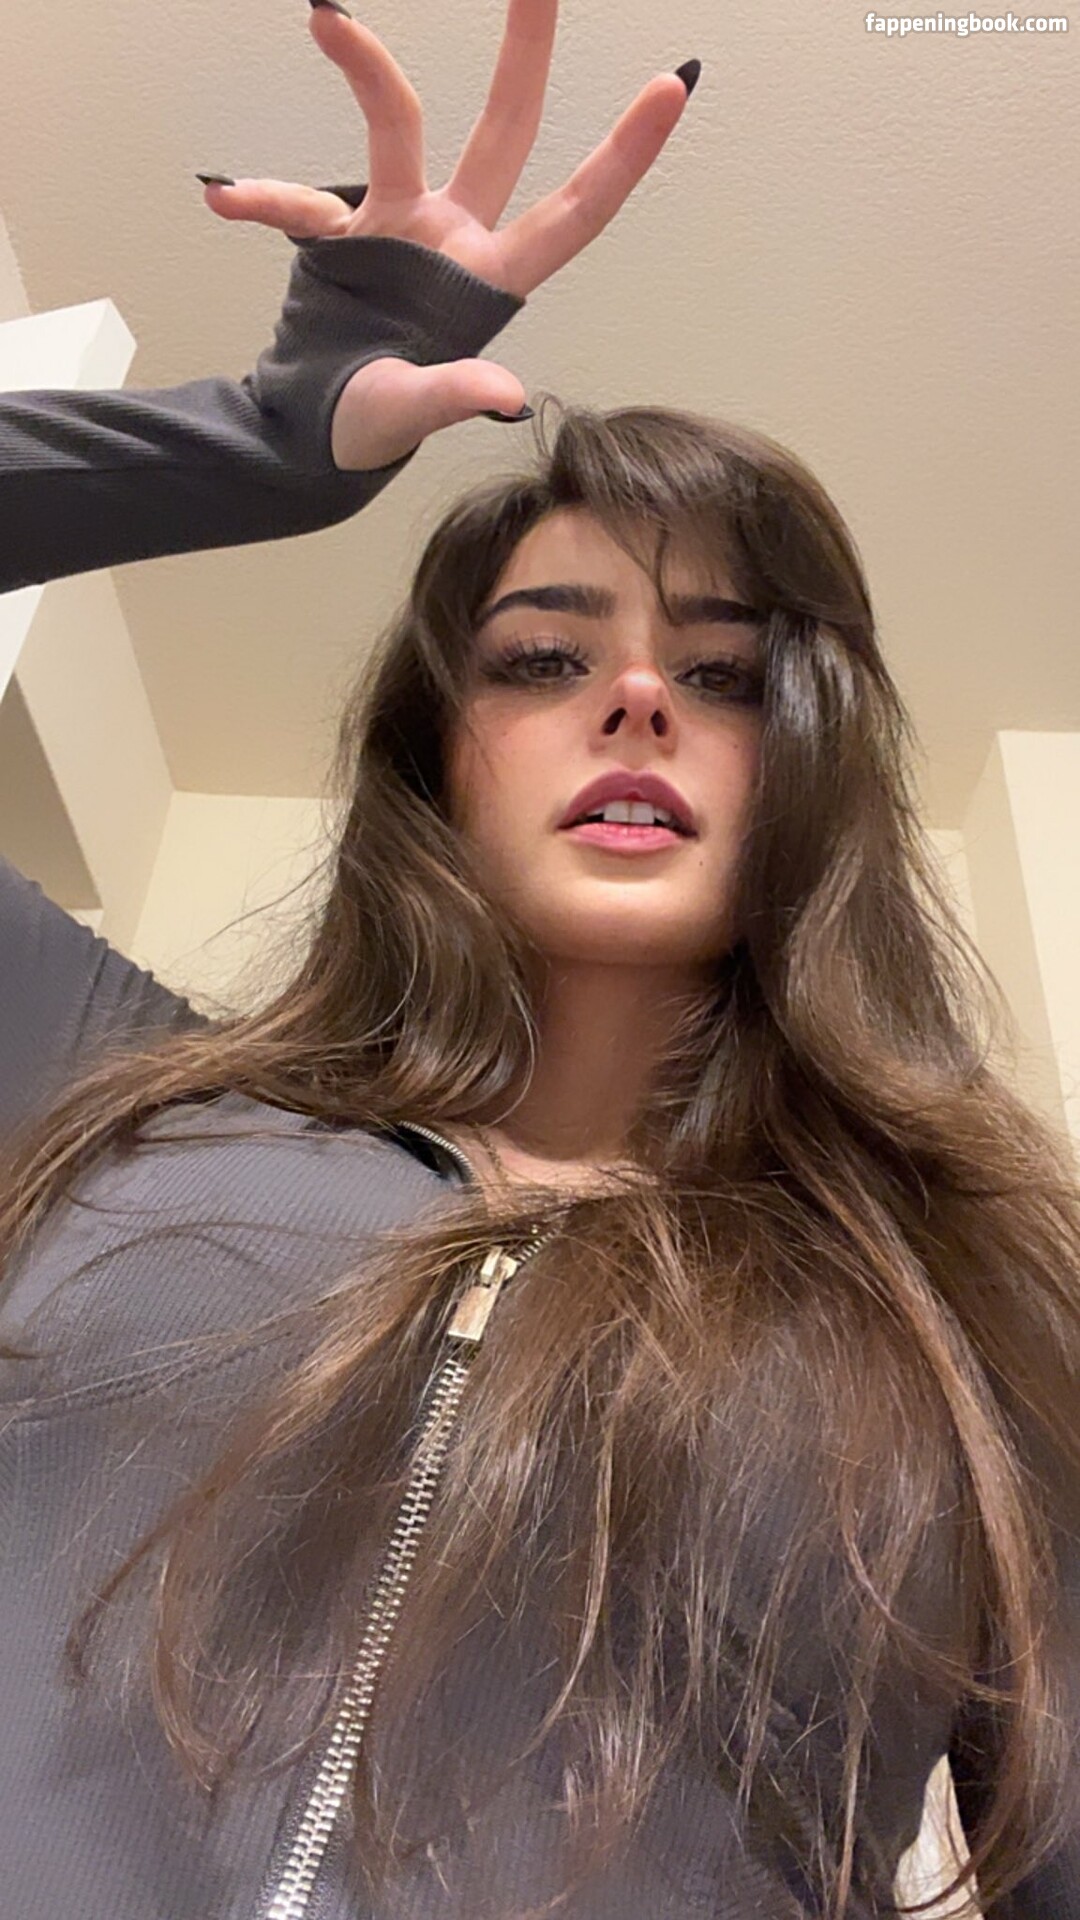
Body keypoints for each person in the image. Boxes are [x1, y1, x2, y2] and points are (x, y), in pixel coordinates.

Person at [1, 3, 1079, 1917]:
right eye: (545, 656)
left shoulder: (972, 1304)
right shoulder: (105, 1088)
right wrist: (243, 448)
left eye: (726, 675)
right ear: (439, 758)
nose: (640, 698)